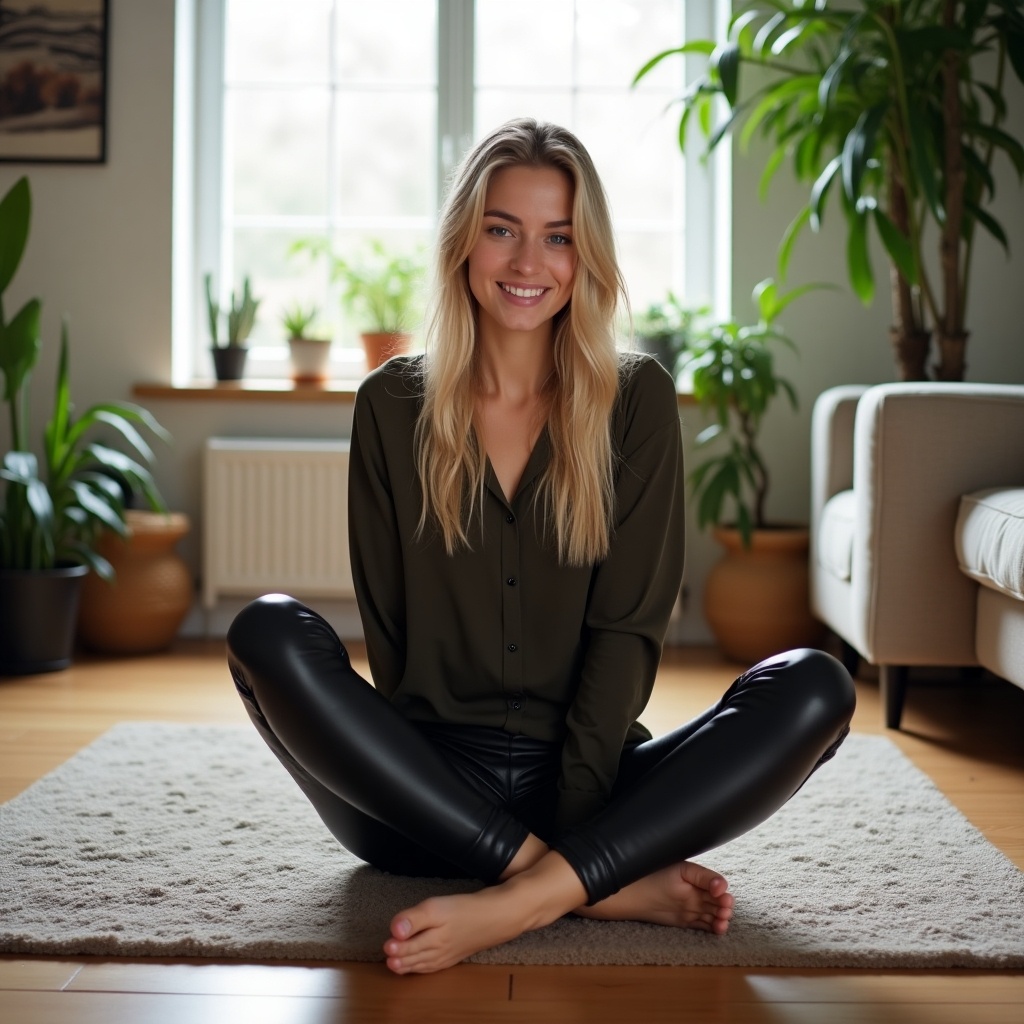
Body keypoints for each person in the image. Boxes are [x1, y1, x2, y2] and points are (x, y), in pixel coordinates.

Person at [227, 118, 856, 975]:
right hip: (419, 800)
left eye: (557, 236)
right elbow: (395, 643)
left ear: (584, 254)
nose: (529, 264)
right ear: (463, 243)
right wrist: (576, 861)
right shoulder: (390, 404)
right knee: (263, 633)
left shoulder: (636, 400)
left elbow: (629, 631)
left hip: (593, 779)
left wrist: (579, 813)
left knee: (816, 689)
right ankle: (575, 884)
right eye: (502, 230)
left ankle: (523, 896)